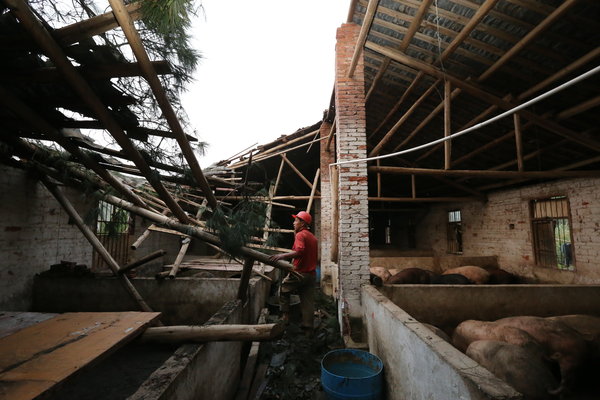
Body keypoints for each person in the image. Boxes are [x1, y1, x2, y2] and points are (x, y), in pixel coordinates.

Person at [269, 211, 318, 332]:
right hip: (311, 274)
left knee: (283, 289)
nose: (293, 223)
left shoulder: (300, 235)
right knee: (307, 301)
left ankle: (285, 317)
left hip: (299, 273)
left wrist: (282, 256)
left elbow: (300, 251)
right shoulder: (313, 237)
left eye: (296, 220)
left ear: (302, 223)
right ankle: (308, 326)